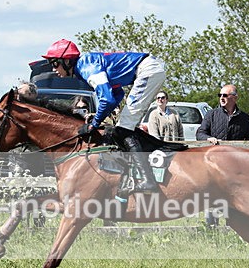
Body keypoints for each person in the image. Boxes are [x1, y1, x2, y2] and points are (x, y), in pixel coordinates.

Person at [42, 38, 165, 192]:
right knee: (123, 127)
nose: (53, 69)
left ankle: (148, 180)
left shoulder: (86, 68)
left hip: (148, 70)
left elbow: (107, 99)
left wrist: (94, 124)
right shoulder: (85, 66)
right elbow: (117, 94)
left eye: (55, 63)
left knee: (124, 128)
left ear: (67, 61)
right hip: (149, 68)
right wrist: (97, 117)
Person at [196, 84, 249, 226]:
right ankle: (211, 227)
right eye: (220, 95)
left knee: (234, 197)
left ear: (235, 98)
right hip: (214, 165)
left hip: (235, 167)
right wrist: (208, 138)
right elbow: (200, 133)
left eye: (225, 95)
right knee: (212, 196)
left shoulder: (244, 118)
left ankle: (233, 226)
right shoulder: (212, 114)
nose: (221, 98)